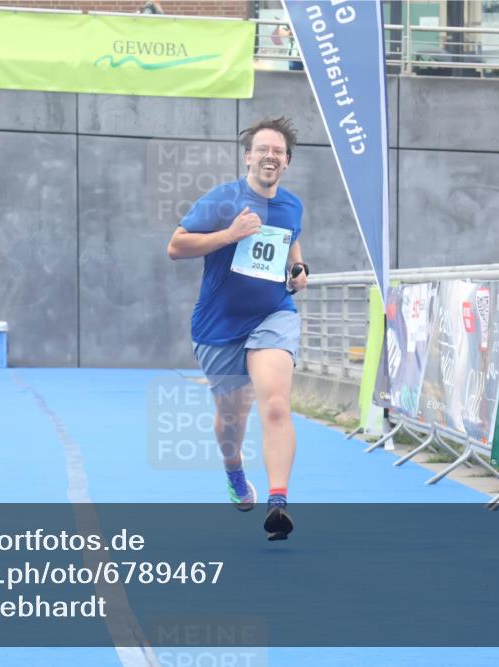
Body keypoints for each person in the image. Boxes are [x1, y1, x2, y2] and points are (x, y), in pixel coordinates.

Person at [167, 116, 309, 541]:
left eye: (278, 152)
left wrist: (298, 269)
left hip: (272, 315)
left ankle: (279, 502)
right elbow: (175, 246)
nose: (270, 156)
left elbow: (291, 241)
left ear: (286, 162)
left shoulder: (293, 205)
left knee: (277, 405)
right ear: (248, 157)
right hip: (219, 325)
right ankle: (234, 472)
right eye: (263, 149)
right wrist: (230, 234)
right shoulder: (222, 199)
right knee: (233, 417)